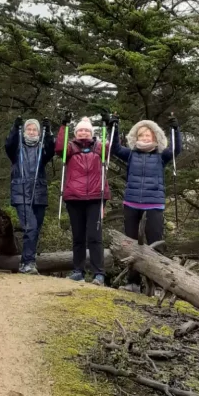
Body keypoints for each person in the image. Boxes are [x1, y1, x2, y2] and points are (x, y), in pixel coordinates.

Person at [56, 113, 110, 285]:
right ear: (75, 133)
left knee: (95, 237)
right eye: (80, 131)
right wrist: (63, 126)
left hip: (95, 197)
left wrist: (109, 126)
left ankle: (98, 273)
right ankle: (78, 270)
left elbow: (112, 147)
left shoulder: (100, 147)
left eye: (87, 131)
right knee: (78, 237)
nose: (84, 133)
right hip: (74, 197)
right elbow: (59, 149)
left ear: (91, 133)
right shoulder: (70, 147)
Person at [110, 115, 181, 247]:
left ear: (154, 137)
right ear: (136, 137)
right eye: (141, 135)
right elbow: (115, 148)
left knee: (156, 244)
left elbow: (176, 150)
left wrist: (175, 130)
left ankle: (158, 267)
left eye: (148, 135)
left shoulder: (161, 155)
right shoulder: (131, 153)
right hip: (131, 204)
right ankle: (132, 268)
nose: (144, 138)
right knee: (130, 245)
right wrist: (114, 128)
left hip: (153, 205)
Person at [5, 117, 55, 274]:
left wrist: (48, 133)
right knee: (30, 227)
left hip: (39, 193)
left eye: (35, 130)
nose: (32, 132)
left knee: (35, 229)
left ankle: (27, 261)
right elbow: (9, 144)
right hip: (21, 193)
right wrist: (15, 127)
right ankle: (28, 262)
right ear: (24, 131)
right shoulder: (17, 149)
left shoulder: (42, 150)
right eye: (29, 129)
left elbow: (52, 148)